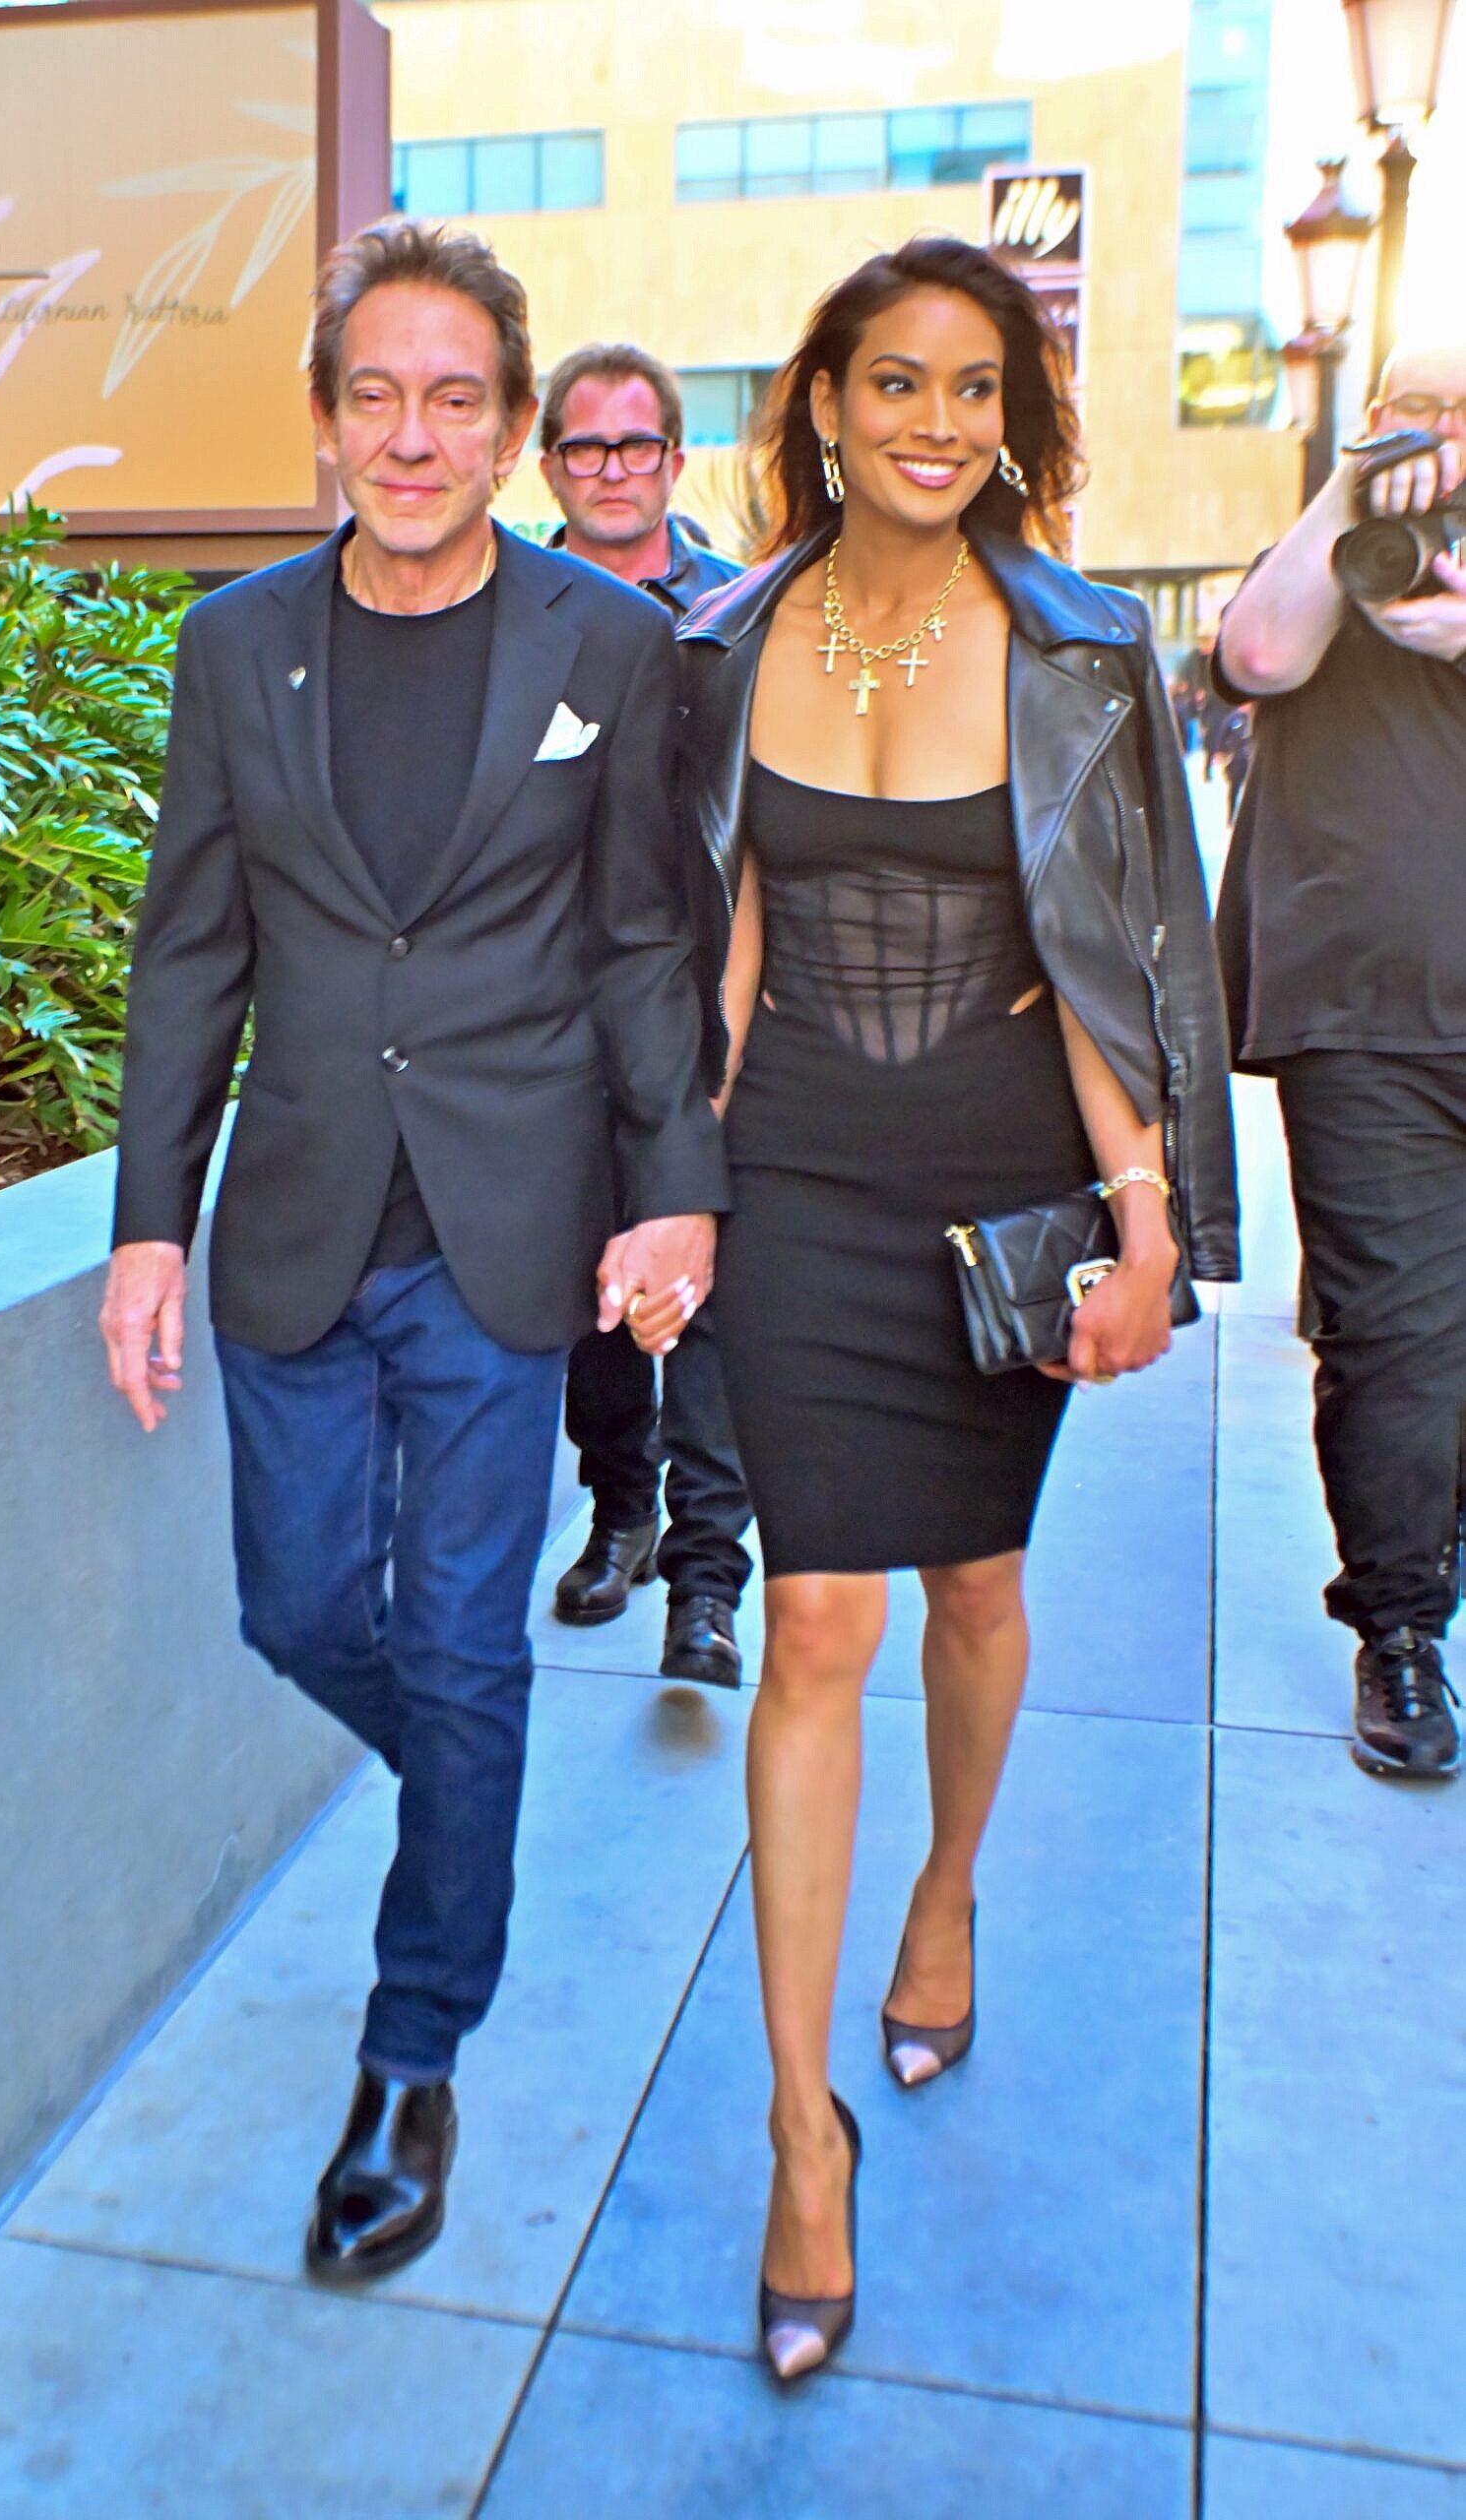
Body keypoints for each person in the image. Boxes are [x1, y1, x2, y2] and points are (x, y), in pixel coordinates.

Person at [98, 218, 726, 2284]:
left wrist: (672, 1184)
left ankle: (407, 2045)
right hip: (290, 1218)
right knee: (298, 1609)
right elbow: (191, 948)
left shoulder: (605, 648)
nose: (412, 431)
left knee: (458, 1637)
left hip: (498, 1229)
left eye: (456, 396)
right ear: (324, 422)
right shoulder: (233, 643)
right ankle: (470, 1763)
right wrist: (143, 1225)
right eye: (374, 391)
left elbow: (645, 941)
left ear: (514, 427)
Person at [671, 235, 1238, 2382]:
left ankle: (947, 1886)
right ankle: (794, 2127)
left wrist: (1145, 1213)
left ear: (1011, 415)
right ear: (819, 402)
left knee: (972, 1583)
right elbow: (713, 934)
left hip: (1001, 1171)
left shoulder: (1078, 651)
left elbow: (1112, 954)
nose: (930, 420)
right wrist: (677, 1186)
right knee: (818, 1613)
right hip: (796, 1161)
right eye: (890, 381)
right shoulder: (723, 640)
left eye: (971, 387)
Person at [1215, 342, 1466, 1782]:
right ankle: (1401, 1628)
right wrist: (1347, 492)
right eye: (1410, 407)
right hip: (1364, 1014)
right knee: (1395, 1339)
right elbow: (1256, 654)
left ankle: (1436, 1550)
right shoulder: (1327, 551)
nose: (1437, 434)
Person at [536, 343, 751, 1686]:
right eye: (585, 447)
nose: (612, 469)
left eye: (636, 446)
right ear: (548, 462)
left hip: (717, 995)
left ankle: (707, 1583)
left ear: (675, 460)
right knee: (594, 1295)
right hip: (556, 1010)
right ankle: (619, 1516)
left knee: (714, 1290)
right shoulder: (507, 607)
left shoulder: (744, 613)